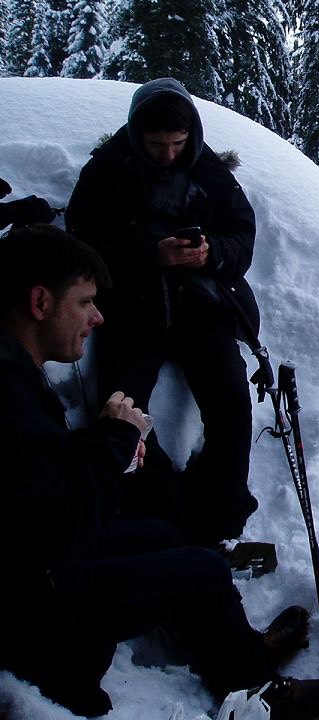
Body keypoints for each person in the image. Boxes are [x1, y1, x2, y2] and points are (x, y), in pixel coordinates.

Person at [0, 225, 319, 719]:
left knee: (163, 535)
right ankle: (259, 698)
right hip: (28, 604)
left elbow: (33, 477)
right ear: (39, 302)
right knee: (202, 571)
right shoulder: (6, 389)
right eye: (85, 302)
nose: (97, 318)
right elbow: (56, 526)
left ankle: (235, 650)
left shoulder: (13, 371)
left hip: (35, 571)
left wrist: (104, 441)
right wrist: (114, 443)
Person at [65, 78, 260, 543]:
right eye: (157, 145)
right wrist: (151, 255)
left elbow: (242, 237)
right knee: (122, 409)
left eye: (178, 143)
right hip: (132, 309)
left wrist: (210, 253)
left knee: (232, 402)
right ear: (136, 135)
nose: (169, 154)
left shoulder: (210, 171)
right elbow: (83, 249)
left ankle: (220, 514)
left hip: (203, 308)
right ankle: (159, 517)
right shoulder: (106, 172)